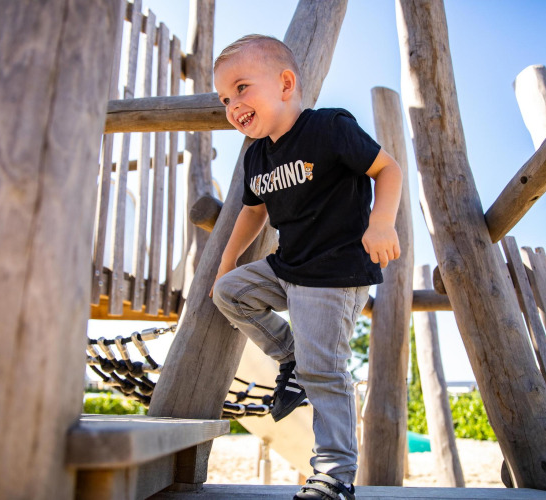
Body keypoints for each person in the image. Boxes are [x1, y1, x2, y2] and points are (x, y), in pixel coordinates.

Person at [210, 34, 403, 500]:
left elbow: (388, 169)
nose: (232, 105)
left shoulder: (329, 128)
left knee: (326, 372)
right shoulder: (256, 155)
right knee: (230, 292)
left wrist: (381, 223)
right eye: (223, 99)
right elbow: (253, 211)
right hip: (289, 267)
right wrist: (227, 261)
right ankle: (291, 356)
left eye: (240, 88)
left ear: (285, 83)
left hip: (334, 274)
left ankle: (335, 476)